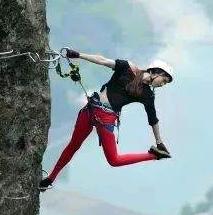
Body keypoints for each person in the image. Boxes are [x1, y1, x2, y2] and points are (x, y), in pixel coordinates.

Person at [39, 48, 173, 191]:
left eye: (165, 83)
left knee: (114, 160)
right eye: (164, 80)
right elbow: (102, 60)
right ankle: (50, 178)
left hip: (105, 119)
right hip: (90, 110)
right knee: (73, 145)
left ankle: (153, 156)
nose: (162, 84)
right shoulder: (128, 68)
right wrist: (77, 55)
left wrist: (159, 142)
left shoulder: (147, 95)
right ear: (156, 71)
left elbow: (153, 119)